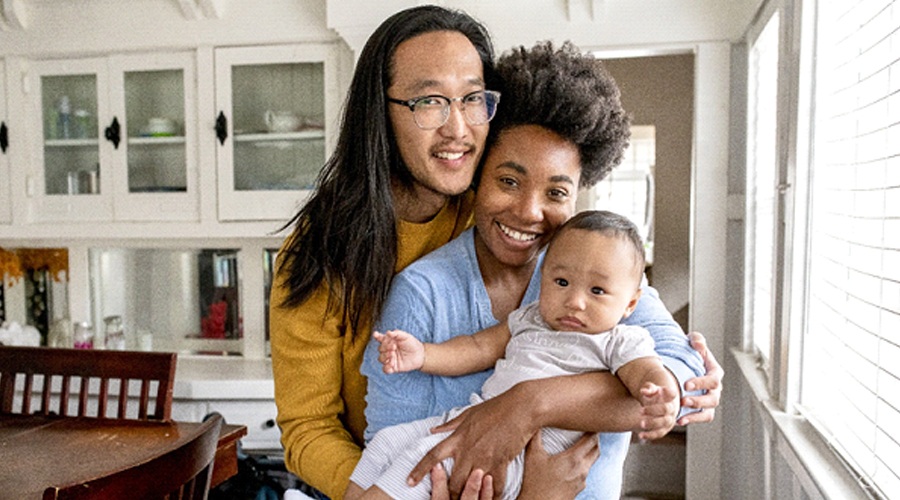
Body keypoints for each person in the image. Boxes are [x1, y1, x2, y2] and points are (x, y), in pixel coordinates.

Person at [360, 41, 711, 500]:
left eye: (557, 193)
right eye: (508, 181)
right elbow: (394, 463)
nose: (529, 211)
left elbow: (681, 380)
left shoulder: (604, 279)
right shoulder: (422, 292)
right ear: (477, 174)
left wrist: (528, 404)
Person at [270, 6, 500, 499]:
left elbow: (594, 293)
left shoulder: (498, 214)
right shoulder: (318, 251)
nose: (459, 128)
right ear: (381, 112)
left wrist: (677, 369)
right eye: (430, 102)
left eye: (473, 98)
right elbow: (308, 428)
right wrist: (390, 491)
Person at [350, 210, 677, 499]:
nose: (574, 301)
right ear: (544, 275)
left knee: (415, 462)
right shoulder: (531, 318)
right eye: (561, 281)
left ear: (631, 303)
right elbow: (478, 347)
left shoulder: (618, 340)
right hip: (474, 419)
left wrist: (662, 395)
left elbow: (646, 373)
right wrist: (422, 354)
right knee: (387, 442)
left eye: (597, 291)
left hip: (522, 456)